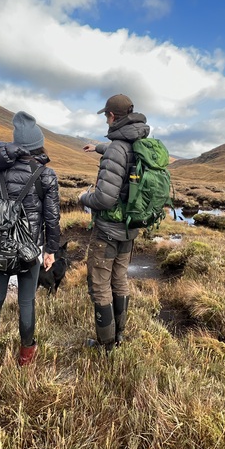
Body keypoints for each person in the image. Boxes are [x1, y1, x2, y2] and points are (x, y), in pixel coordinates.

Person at [0, 111, 61, 368]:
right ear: (37, 144)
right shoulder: (46, 175)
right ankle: (26, 355)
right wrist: (50, 250)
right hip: (29, 250)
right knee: (27, 300)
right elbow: (52, 218)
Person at [79, 94, 150, 351]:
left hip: (108, 230)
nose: (106, 120)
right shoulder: (138, 141)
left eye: (106, 116)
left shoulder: (118, 148)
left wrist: (84, 198)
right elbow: (119, 154)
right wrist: (97, 147)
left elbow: (105, 198)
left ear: (111, 116)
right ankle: (119, 336)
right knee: (120, 279)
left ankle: (106, 345)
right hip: (130, 229)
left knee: (100, 285)